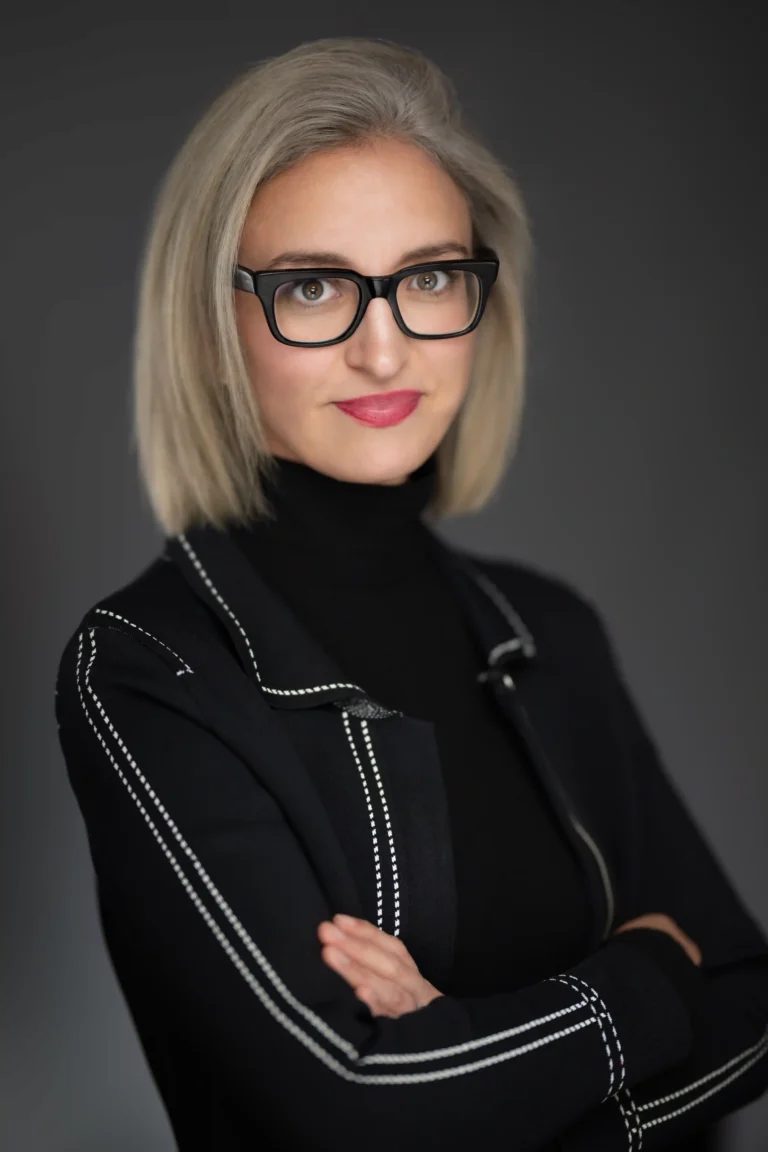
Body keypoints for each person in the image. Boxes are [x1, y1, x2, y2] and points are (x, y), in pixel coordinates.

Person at [54, 36, 768, 1152]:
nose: (386, 351)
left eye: (431, 276)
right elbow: (357, 1111)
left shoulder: (547, 629)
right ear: (212, 324)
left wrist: (481, 1062)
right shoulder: (152, 666)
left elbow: (748, 1003)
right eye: (315, 286)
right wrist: (642, 973)